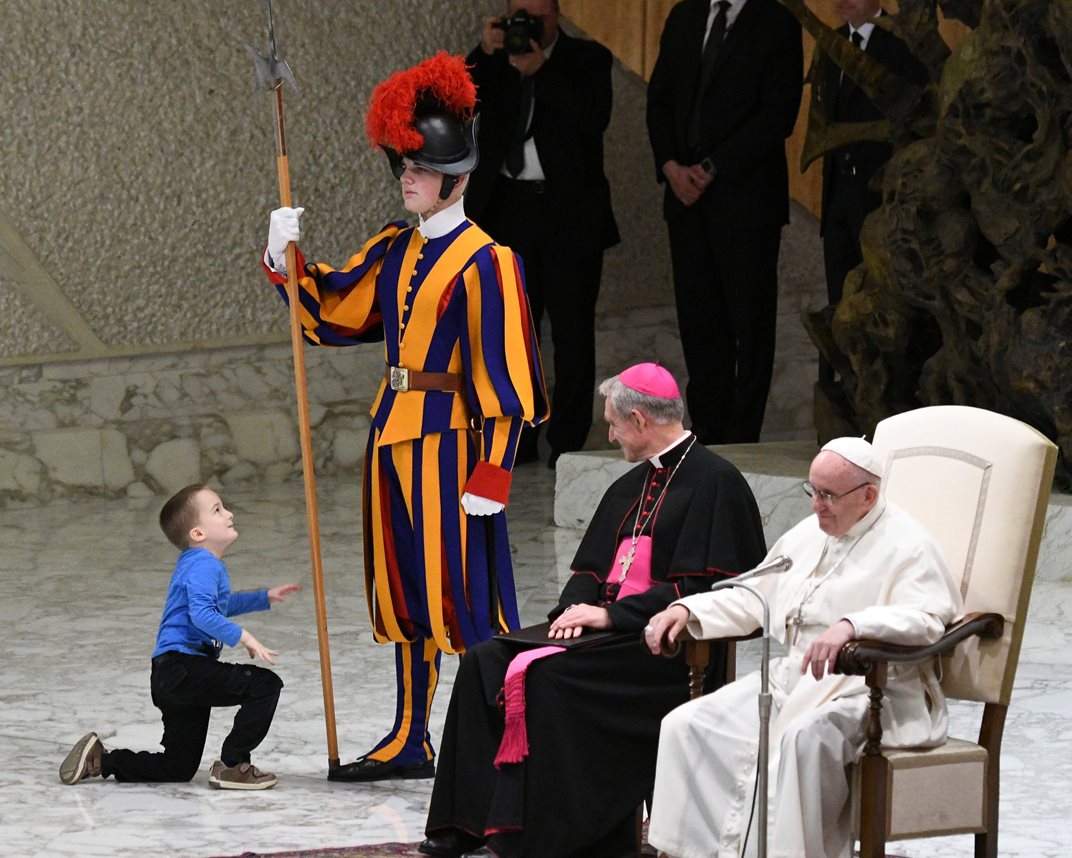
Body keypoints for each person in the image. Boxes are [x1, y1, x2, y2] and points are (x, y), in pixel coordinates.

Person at [262, 52, 548, 782]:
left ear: (455, 177)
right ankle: (410, 736)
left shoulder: (490, 261)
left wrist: (495, 470)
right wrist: (282, 257)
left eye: (418, 169)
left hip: (453, 446)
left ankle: (503, 736)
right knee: (406, 593)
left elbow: (508, 377)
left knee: (469, 595)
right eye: (403, 168)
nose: (406, 178)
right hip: (392, 435)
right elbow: (332, 312)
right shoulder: (396, 246)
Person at [421, 363, 766, 858]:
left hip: (663, 649)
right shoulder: (629, 484)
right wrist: (575, 608)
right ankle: (466, 824)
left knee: (548, 680)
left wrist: (610, 617)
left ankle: (547, 837)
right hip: (603, 637)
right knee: (484, 661)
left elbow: (713, 589)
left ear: (641, 420)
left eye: (613, 424)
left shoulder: (717, 483)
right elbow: (588, 570)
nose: (609, 435)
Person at [643, 437, 964, 858]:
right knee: (686, 725)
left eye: (828, 495)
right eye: (812, 491)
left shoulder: (909, 545)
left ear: (868, 496)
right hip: (795, 680)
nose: (816, 505)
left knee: (801, 739)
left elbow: (927, 620)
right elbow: (753, 596)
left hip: (869, 691)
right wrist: (688, 610)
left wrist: (853, 625)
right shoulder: (809, 535)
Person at [58, 484, 301, 790]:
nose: (229, 513)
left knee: (177, 766)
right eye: (217, 510)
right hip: (184, 668)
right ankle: (233, 764)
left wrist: (263, 598)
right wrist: (245, 637)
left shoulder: (196, 563)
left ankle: (101, 760)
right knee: (265, 685)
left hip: (170, 675)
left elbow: (217, 606)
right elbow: (203, 615)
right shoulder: (204, 564)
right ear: (198, 534)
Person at [465, 0, 619, 469]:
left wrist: (542, 69)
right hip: (507, 210)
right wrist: (481, 52)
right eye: (519, 16)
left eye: (537, 16)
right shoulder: (493, 62)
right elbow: (455, 102)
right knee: (513, 332)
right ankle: (518, 440)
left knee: (572, 332)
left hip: (568, 213)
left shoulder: (587, 59)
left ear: (556, 16)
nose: (527, 26)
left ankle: (568, 443)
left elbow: (592, 120)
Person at [645, 0, 803, 445]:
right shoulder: (685, 16)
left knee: (749, 324)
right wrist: (671, 165)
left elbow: (778, 114)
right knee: (699, 322)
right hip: (685, 199)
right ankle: (709, 429)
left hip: (745, 199)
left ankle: (742, 434)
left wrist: (713, 167)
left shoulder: (777, 23)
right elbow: (659, 100)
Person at [819, 0, 928, 379]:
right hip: (836, 200)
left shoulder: (901, 43)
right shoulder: (830, 44)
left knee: (881, 301)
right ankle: (844, 386)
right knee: (839, 299)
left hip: (878, 198)